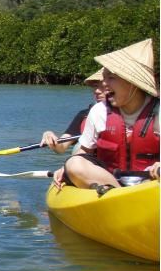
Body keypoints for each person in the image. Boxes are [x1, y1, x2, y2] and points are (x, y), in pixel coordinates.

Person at [53, 39, 160, 193]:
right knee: (74, 164)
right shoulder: (99, 111)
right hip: (110, 184)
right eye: (104, 77)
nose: (104, 84)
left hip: (151, 186)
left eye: (111, 77)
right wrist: (67, 168)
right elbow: (84, 152)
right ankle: (120, 197)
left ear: (132, 83)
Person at [42, 68, 107, 154]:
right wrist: (49, 136)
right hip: (85, 163)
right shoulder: (84, 114)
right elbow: (61, 147)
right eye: (95, 86)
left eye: (103, 86)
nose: (97, 91)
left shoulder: (126, 115)